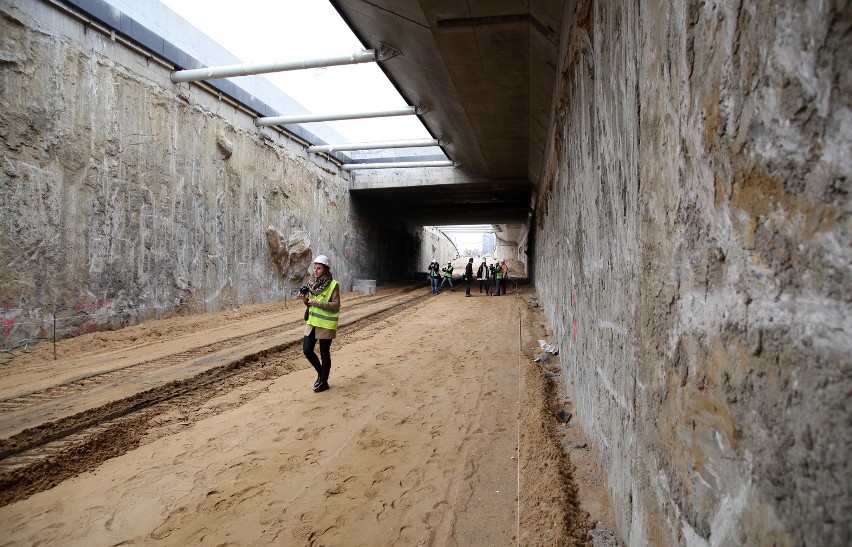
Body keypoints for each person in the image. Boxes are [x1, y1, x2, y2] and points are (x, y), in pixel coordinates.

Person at [300, 255, 340, 393]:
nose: (315, 271)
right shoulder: (312, 283)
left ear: (325, 269)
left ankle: (323, 382)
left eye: (319, 268)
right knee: (307, 350)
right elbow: (309, 303)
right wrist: (305, 299)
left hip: (326, 323)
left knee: (324, 353)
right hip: (312, 322)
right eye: (315, 268)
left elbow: (336, 305)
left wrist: (317, 303)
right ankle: (321, 374)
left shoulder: (333, 284)